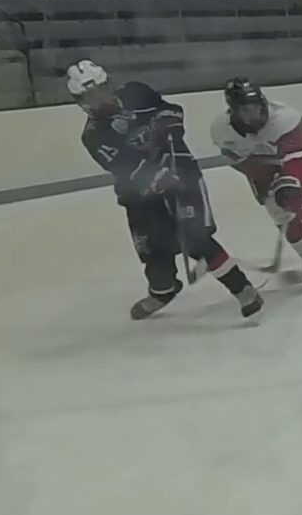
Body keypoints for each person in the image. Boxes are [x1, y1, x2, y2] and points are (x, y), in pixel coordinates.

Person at [66, 60, 263, 320]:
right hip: (140, 196)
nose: (98, 100)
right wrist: (157, 177)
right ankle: (163, 291)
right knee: (154, 253)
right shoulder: (94, 136)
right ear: (80, 102)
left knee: (197, 238)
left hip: (181, 172)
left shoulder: (136, 92)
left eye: (100, 91)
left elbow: (170, 109)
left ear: (109, 85)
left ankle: (244, 290)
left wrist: (171, 123)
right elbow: (131, 170)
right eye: (89, 97)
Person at [211, 78, 302, 284]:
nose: (254, 114)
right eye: (245, 110)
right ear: (233, 110)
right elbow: (237, 160)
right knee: (280, 214)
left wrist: (289, 182)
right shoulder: (221, 130)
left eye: (256, 107)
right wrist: (262, 175)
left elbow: (300, 158)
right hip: (261, 168)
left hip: (293, 162)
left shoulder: (287, 119)